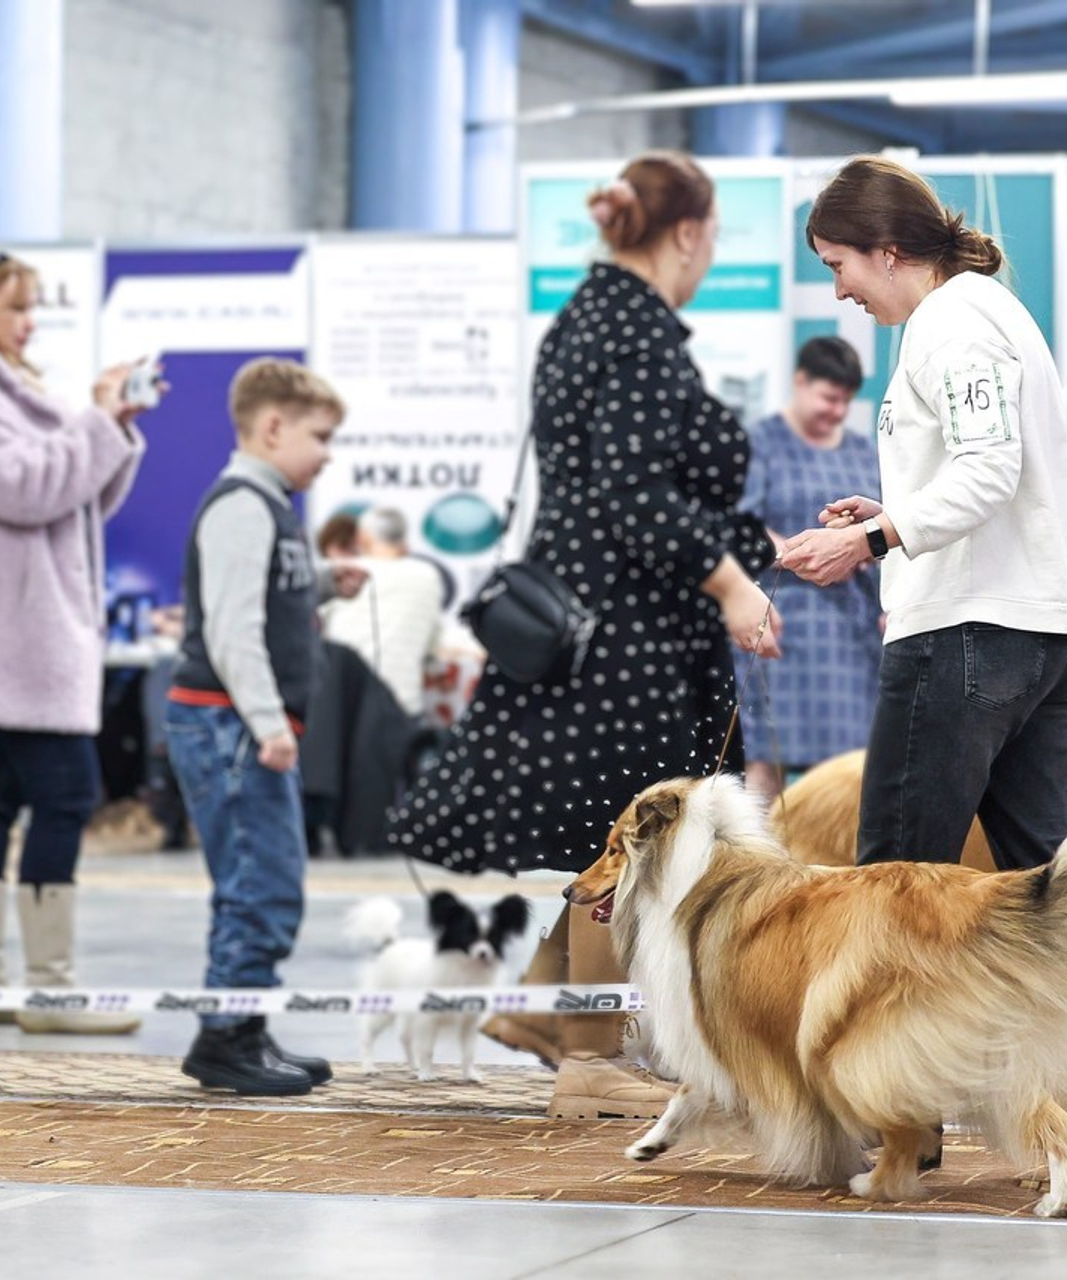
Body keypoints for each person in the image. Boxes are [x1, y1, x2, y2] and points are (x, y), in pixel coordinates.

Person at [778, 156, 1067, 1181]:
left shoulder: (952, 323)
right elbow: (988, 472)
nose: (839, 289)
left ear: (887, 250)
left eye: (839, 264)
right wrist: (890, 509)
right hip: (1037, 633)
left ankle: (901, 1120)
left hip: (966, 639)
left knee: (893, 884)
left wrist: (875, 536)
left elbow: (988, 468)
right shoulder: (986, 315)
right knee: (1057, 887)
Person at [386, 151, 782, 1118]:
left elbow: (628, 492)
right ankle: (590, 1059)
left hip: (599, 619)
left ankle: (538, 1010)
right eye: (712, 238)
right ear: (687, 233)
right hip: (629, 637)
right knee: (632, 831)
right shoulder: (636, 334)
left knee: (614, 827)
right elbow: (636, 498)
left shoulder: (587, 319)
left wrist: (762, 550)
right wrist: (734, 582)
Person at [166, 357, 366, 1095]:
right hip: (230, 726)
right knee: (262, 883)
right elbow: (232, 630)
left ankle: (240, 1026)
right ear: (274, 427)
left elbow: (264, 592)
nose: (328, 453)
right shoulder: (242, 507)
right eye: (321, 436)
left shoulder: (269, 506)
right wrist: (266, 721)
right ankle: (228, 1037)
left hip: (237, 725)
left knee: (258, 882)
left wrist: (322, 582)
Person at [0, 248, 151, 1035]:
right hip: (19, 643)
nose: (30, 323)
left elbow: (77, 499)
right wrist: (94, 423)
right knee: (65, 795)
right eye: (17, 307)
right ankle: (48, 991)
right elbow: (22, 488)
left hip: (20, 644)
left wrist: (111, 425)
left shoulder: (17, 392)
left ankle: (0, 984)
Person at [734, 336, 882, 800]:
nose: (837, 411)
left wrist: (856, 545)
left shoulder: (862, 450)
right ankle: (754, 848)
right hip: (778, 620)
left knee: (851, 769)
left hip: (850, 631)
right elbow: (739, 524)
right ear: (801, 382)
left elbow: (885, 528)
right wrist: (807, 551)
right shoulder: (760, 443)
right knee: (765, 760)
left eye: (845, 401)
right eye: (828, 398)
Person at [320, 505, 444, 717]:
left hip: (343, 706)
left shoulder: (340, 574)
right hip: (404, 706)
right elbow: (432, 651)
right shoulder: (428, 575)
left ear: (362, 537)